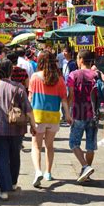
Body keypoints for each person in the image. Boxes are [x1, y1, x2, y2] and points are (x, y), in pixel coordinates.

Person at [0, 59, 36, 200]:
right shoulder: (19, 87)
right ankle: (13, 183)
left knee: (2, 157)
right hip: (17, 129)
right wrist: (33, 125)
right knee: (15, 155)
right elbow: (28, 109)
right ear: (10, 71)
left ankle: (3, 190)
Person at [28, 51, 70, 187]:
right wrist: (68, 115)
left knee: (36, 145)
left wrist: (28, 116)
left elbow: (30, 99)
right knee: (49, 145)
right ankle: (48, 172)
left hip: (38, 116)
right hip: (53, 117)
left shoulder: (34, 77)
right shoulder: (59, 79)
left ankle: (37, 171)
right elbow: (64, 100)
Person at [67, 50, 98, 183]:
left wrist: (66, 112)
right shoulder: (96, 75)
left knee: (73, 143)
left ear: (80, 60)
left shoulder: (73, 74)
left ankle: (85, 167)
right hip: (94, 113)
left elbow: (71, 95)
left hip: (78, 113)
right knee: (90, 146)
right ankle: (87, 173)